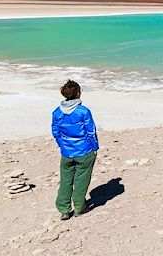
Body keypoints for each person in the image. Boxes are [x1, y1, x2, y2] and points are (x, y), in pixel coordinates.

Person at [51, 79, 99, 220]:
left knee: (66, 180)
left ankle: (64, 209)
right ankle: (79, 207)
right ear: (78, 93)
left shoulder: (57, 112)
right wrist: (95, 147)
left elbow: (56, 132)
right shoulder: (83, 111)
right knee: (81, 180)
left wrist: (62, 145)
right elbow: (91, 132)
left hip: (67, 152)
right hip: (84, 150)